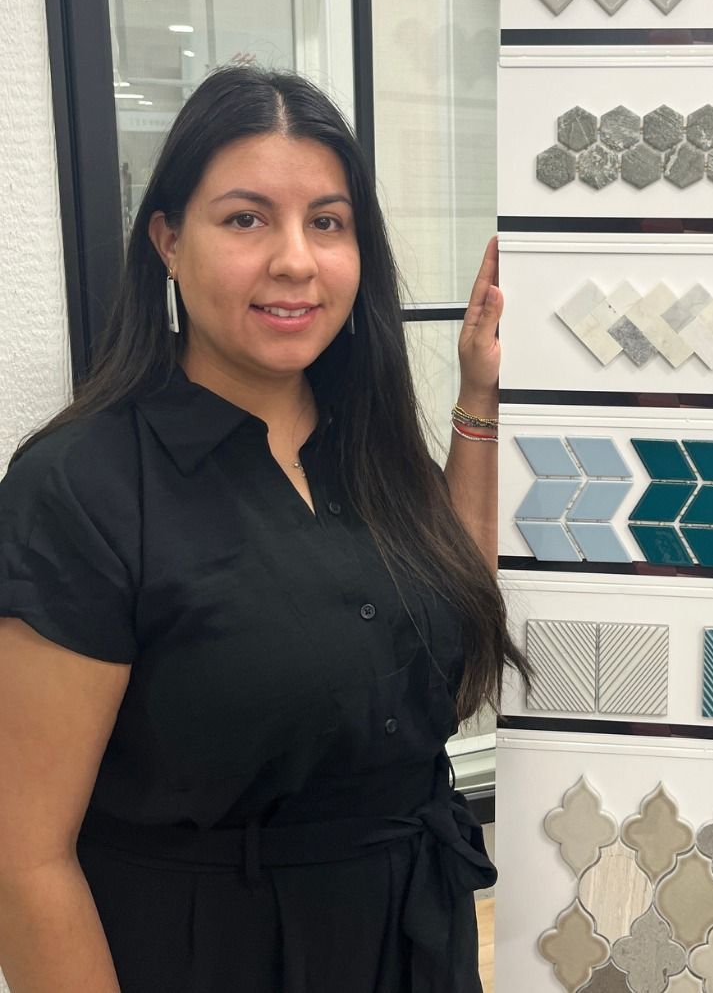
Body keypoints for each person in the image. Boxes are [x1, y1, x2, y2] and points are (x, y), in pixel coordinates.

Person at [0, 65, 526, 993]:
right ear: (167, 240)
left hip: (415, 937)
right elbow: (24, 860)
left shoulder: (368, 446)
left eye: (327, 222)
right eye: (246, 219)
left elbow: (450, 640)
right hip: (213, 953)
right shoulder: (80, 489)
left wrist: (476, 399)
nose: (295, 260)